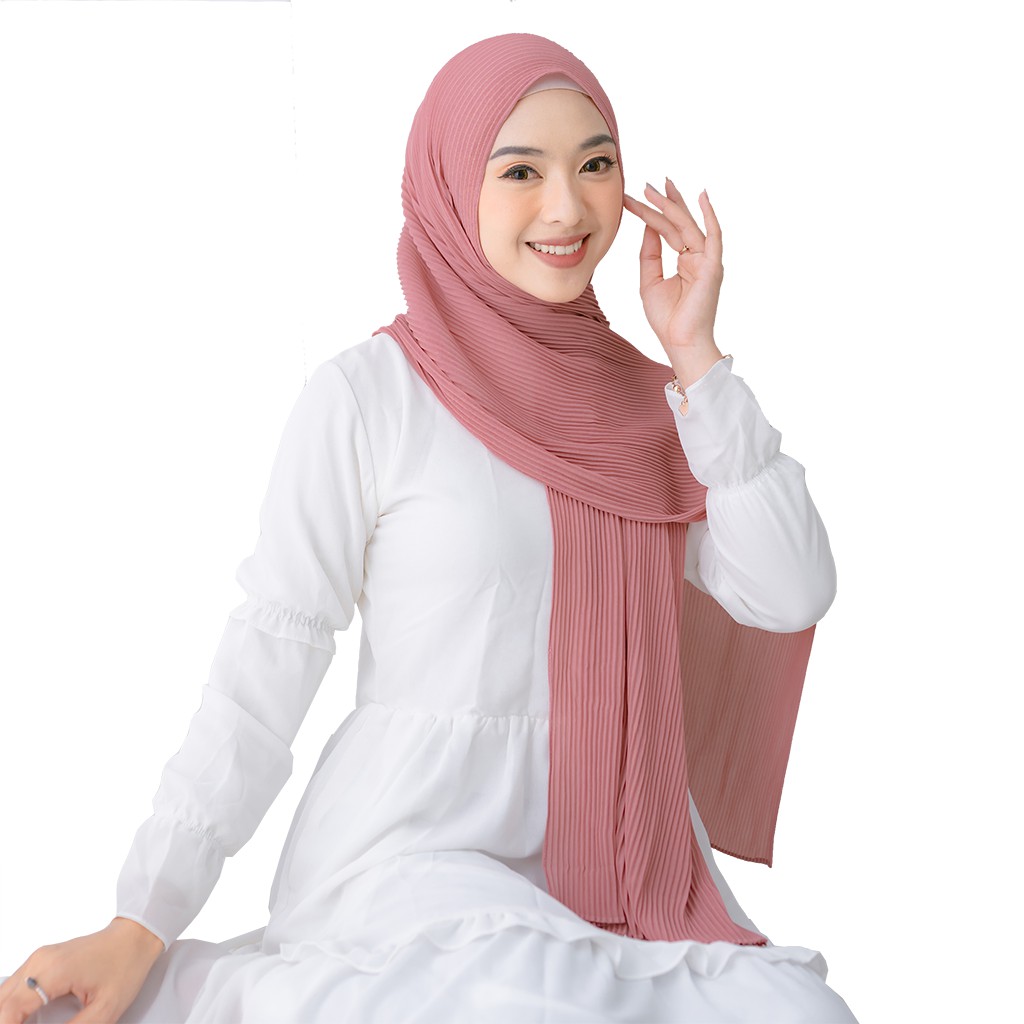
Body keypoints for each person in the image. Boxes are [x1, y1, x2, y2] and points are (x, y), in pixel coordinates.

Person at [0, 33, 857, 1024]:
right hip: (412, 850)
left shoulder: (656, 411)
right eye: (519, 172)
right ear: (450, 185)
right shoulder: (372, 395)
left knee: (803, 1017)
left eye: (594, 165)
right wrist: (142, 915)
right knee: (517, 996)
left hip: (625, 856)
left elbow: (791, 591)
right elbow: (269, 657)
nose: (566, 208)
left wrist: (698, 359)